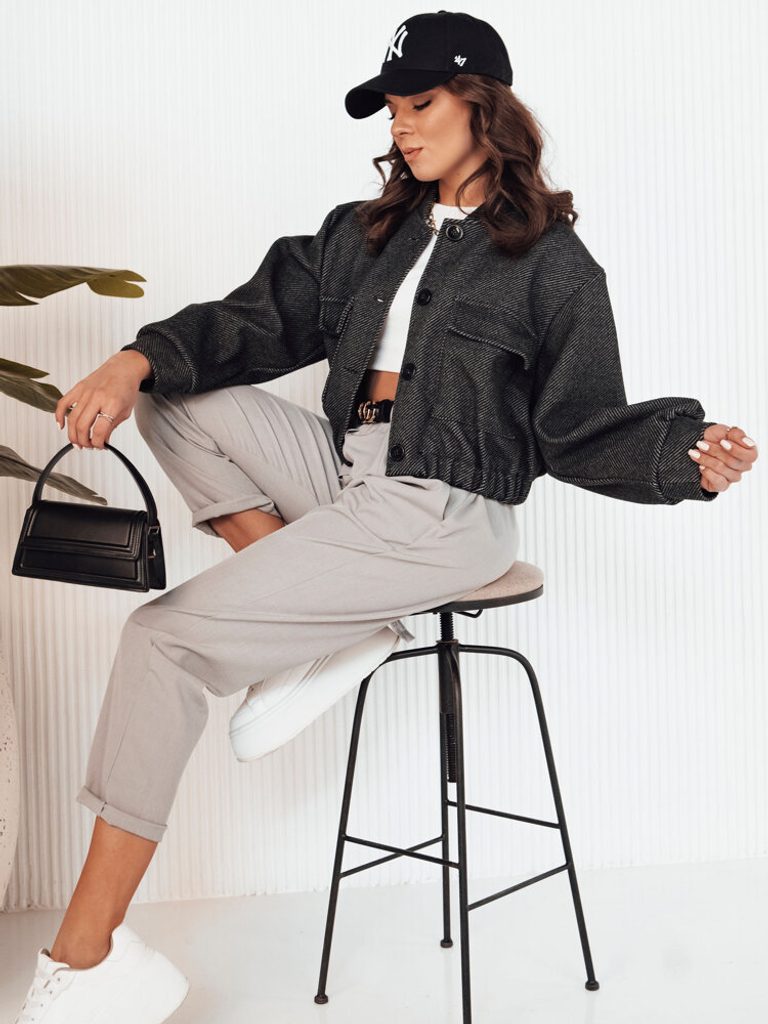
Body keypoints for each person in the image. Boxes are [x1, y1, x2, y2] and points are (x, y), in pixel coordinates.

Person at [14, 11, 758, 1024]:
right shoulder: (365, 235)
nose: (401, 127)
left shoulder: (551, 264)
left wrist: (683, 457)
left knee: (162, 640)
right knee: (174, 394)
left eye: (422, 103)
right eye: (392, 109)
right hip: (346, 474)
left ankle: (86, 955)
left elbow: (578, 425)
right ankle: (328, 626)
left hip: (443, 506)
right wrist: (132, 358)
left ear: (484, 108)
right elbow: (248, 323)